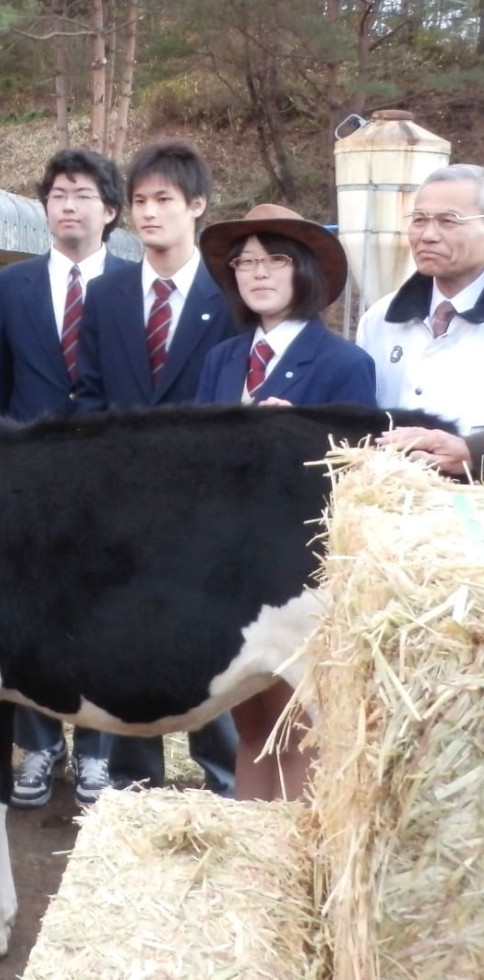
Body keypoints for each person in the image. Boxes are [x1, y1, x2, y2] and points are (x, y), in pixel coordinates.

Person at [75, 138, 239, 797]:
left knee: (213, 649)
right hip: (121, 510)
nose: (148, 213)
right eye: (139, 201)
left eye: (163, 200)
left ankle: (225, 782)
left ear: (196, 204)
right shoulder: (108, 293)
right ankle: (132, 788)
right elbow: (88, 395)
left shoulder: (229, 296)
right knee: (129, 646)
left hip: (206, 512)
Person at [196, 203, 377, 800]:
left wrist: (295, 435)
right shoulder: (221, 361)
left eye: (274, 259)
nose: (258, 274)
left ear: (304, 271)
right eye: (244, 262)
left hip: (301, 572)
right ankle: (250, 847)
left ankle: (289, 860)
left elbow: (358, 468)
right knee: (248, 722)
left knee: (298, 729)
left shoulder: (346, 363)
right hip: (227, 568)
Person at [0, 147, 131, 809]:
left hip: (105, 475)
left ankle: (99, 750)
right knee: (29, 611)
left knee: (100, 611)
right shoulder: (11, 286)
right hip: (26, 477)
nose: (68, 206)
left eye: (82, 194)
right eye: (58, 195)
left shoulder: (131, 285)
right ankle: (38, 745)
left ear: (111, 210)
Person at [356, 164, 484, 474]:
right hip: (389, 504)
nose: (428, 235)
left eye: (448, 221)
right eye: (419, 220)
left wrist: (474, 453)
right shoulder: (380, 319)